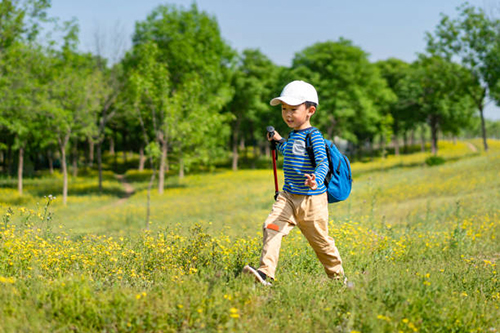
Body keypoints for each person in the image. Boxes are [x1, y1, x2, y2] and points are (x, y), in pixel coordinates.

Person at [243, 80, 345, 286]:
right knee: (271, 227)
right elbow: (289, 152)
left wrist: (315, 178)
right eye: (284, 109)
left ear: (310, 110)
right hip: (288, 197)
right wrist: (279, 141)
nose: (288, 114)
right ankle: (265, 274)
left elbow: (322, 162)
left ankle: (338, 280)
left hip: (311, 201)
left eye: (293, 109)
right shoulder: (293, 136)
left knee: (322, 244)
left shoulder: (313, 136)